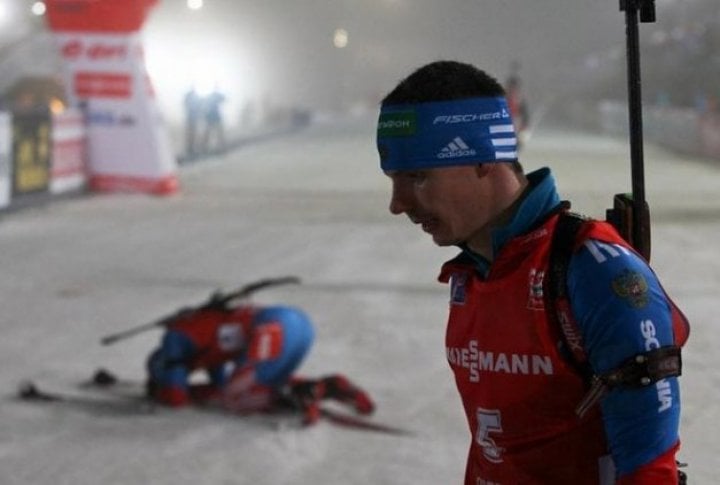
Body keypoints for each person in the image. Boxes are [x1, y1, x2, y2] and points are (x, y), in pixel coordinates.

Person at [376, 60, 688, 484]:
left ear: (483, 159)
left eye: (417, 177)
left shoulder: (592, 271)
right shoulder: (471, 273)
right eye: (394, 179)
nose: (398, 202)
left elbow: (650, 469)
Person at [146, 302, 374, 423]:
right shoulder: (202, 347)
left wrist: (161, 392)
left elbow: (175, 398)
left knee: (236, 400)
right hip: (296, 324)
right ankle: (325, 386)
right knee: (256, 385)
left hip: (271, 329)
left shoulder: (174, 341)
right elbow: (222, 382)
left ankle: (302, 398)